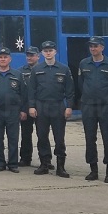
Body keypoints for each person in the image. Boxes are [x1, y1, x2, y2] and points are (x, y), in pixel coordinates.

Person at [76, 36, 108, 183]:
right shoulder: (84, 63)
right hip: (89, 106)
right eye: (91, 46)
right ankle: (93, 170)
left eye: (96, 46)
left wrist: (107, 99)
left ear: (102, 47)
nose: (93, 48)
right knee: (90, 138)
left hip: (106, 107)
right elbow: (80, 84)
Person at [28, 41, 74, 178]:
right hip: (41, 106)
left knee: (59, 138)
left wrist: (69, 107)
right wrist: (31, 106)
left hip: (58, 106)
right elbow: (32, 90)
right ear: (42, 53)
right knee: (42, 137)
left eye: (51, 50)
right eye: (45, 51)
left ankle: (61, 167)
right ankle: (44, 164)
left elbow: (70, 90)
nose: (48, 53)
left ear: (55, 52)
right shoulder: (36, 69)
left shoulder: (63, 69)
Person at [19, 47, 41, 166]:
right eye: (27, 55)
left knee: (42, 134)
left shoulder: (43, 69)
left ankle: (45, 160)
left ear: (38, 56)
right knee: (26, 134)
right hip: (26, 108)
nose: (29, 57)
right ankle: (25, 158)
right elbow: (19, 92)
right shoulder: (20, 71)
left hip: (41, 107)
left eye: (32, 55)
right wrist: (22, 109)